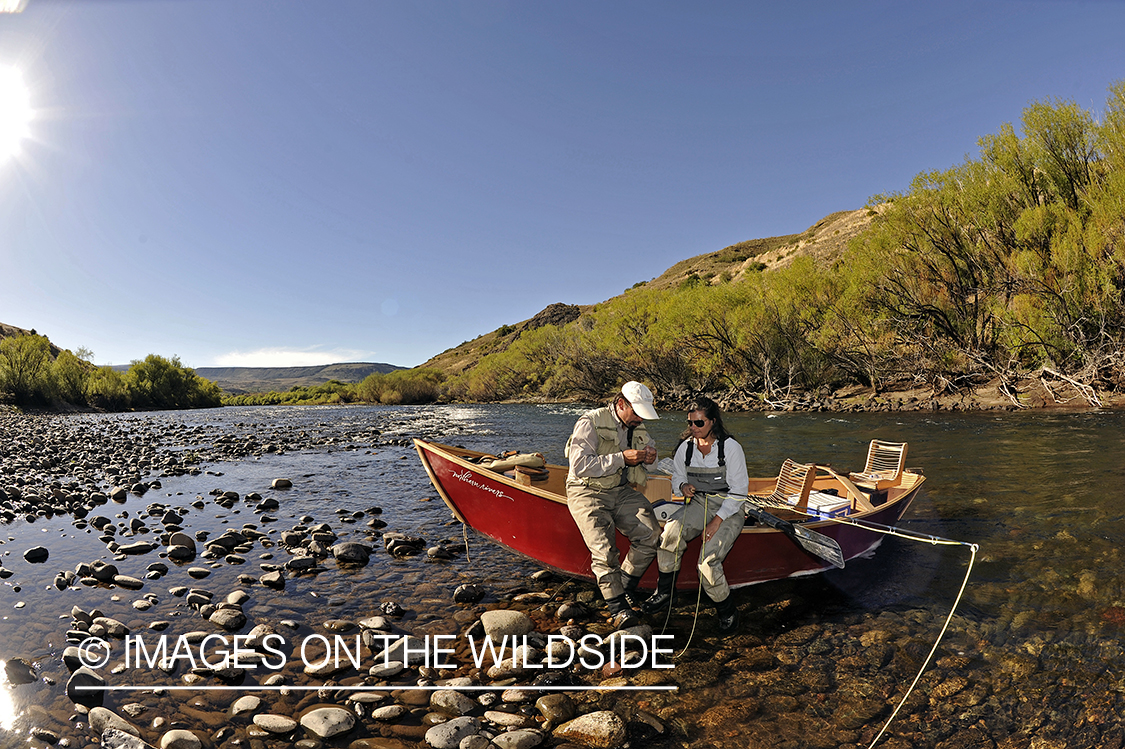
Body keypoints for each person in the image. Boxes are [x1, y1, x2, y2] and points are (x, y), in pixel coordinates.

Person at [642, 396, 747, 634]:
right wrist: (682, 487)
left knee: (707, 564)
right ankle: (666, 594)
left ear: (713, 422)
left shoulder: (731, 448)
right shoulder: (686, 447)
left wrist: (715, 522)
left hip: (729, 508)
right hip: (699, 502)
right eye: (690, 423)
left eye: (699, 423)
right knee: (669, 535)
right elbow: (677, 476)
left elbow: (740, 492)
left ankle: (728, 612)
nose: (693, 428)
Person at [565, 381, 662, 628]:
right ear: (621, 404)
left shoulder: (637, 426)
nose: (640, 419)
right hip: (586, 491)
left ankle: (624, 586)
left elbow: (653, 467)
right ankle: (618, 609)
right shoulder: (589, 422)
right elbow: (580, 466)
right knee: (605, 551)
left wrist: (651, 458)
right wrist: (621, 459)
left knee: (652, 535)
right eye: (637, 413)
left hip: (620, 491)